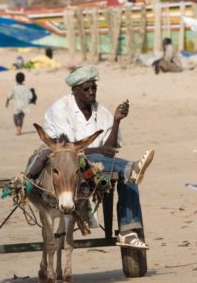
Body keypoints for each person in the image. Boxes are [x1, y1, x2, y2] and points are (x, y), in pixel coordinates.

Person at [41, 66, 154, 249]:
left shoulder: (101, 111)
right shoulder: (61, 109)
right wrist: (98, 150)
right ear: (74, 90)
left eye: (94, 87)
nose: (91, 92)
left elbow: (110, 147)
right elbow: (68, 151)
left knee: (128, 178)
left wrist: (117, 120)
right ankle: (130, 167)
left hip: (94, 163)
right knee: (126, 169)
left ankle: (128, 230)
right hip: (63, 164)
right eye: (86, 89)